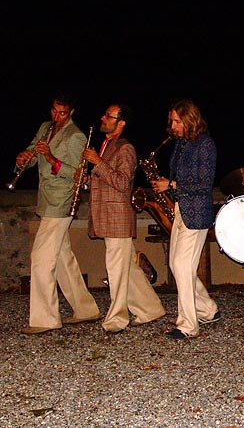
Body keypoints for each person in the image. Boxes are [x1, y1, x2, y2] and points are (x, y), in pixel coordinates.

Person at [17, 94, 101, 334]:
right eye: (54, 111)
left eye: (62, 113)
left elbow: (77, 174)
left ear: (71, 112)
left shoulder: (76, 136)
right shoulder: (46, 127)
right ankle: (86, 309)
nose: (56, 116)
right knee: (63, 258)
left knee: (41, 257)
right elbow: (32, 153)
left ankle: (46, 319)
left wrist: (50, 157)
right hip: (46, 199)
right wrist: (24, 158)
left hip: (62, 202)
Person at [82, 103, 166, 334]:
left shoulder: (126, 148)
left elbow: (122, 182)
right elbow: (106, 181)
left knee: (116, 271)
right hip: (107, 216)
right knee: (127, 269)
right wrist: (86, 181)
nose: (103, 118)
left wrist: (97, 162)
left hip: (117, 217)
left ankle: (117, 318)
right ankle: (150, 309)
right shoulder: (107, 145)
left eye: (108, 116)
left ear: (121, 123)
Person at [151, 99, 220, 340]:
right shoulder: (181, 143)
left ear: (190, 120)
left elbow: (205, 185)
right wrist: (167, 188)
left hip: (197, 212)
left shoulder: (205, 144)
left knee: (182, 266)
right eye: (171, 121)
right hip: (181, 208)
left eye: (177, 121)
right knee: (177, 265)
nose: (172, 126)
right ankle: (208, 309)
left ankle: (188, 325)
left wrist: (171, 184)